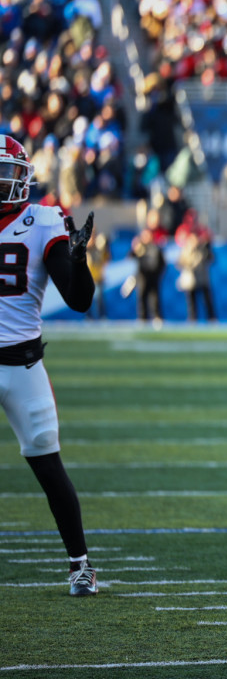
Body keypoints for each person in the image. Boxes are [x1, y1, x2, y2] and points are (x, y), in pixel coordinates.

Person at [0, 135, 99, 595]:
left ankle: (80, 565)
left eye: (7, 172)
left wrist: (79, 262)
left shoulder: (43, 221)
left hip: (23, 366)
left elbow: (78, 300)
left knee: (48, 465)